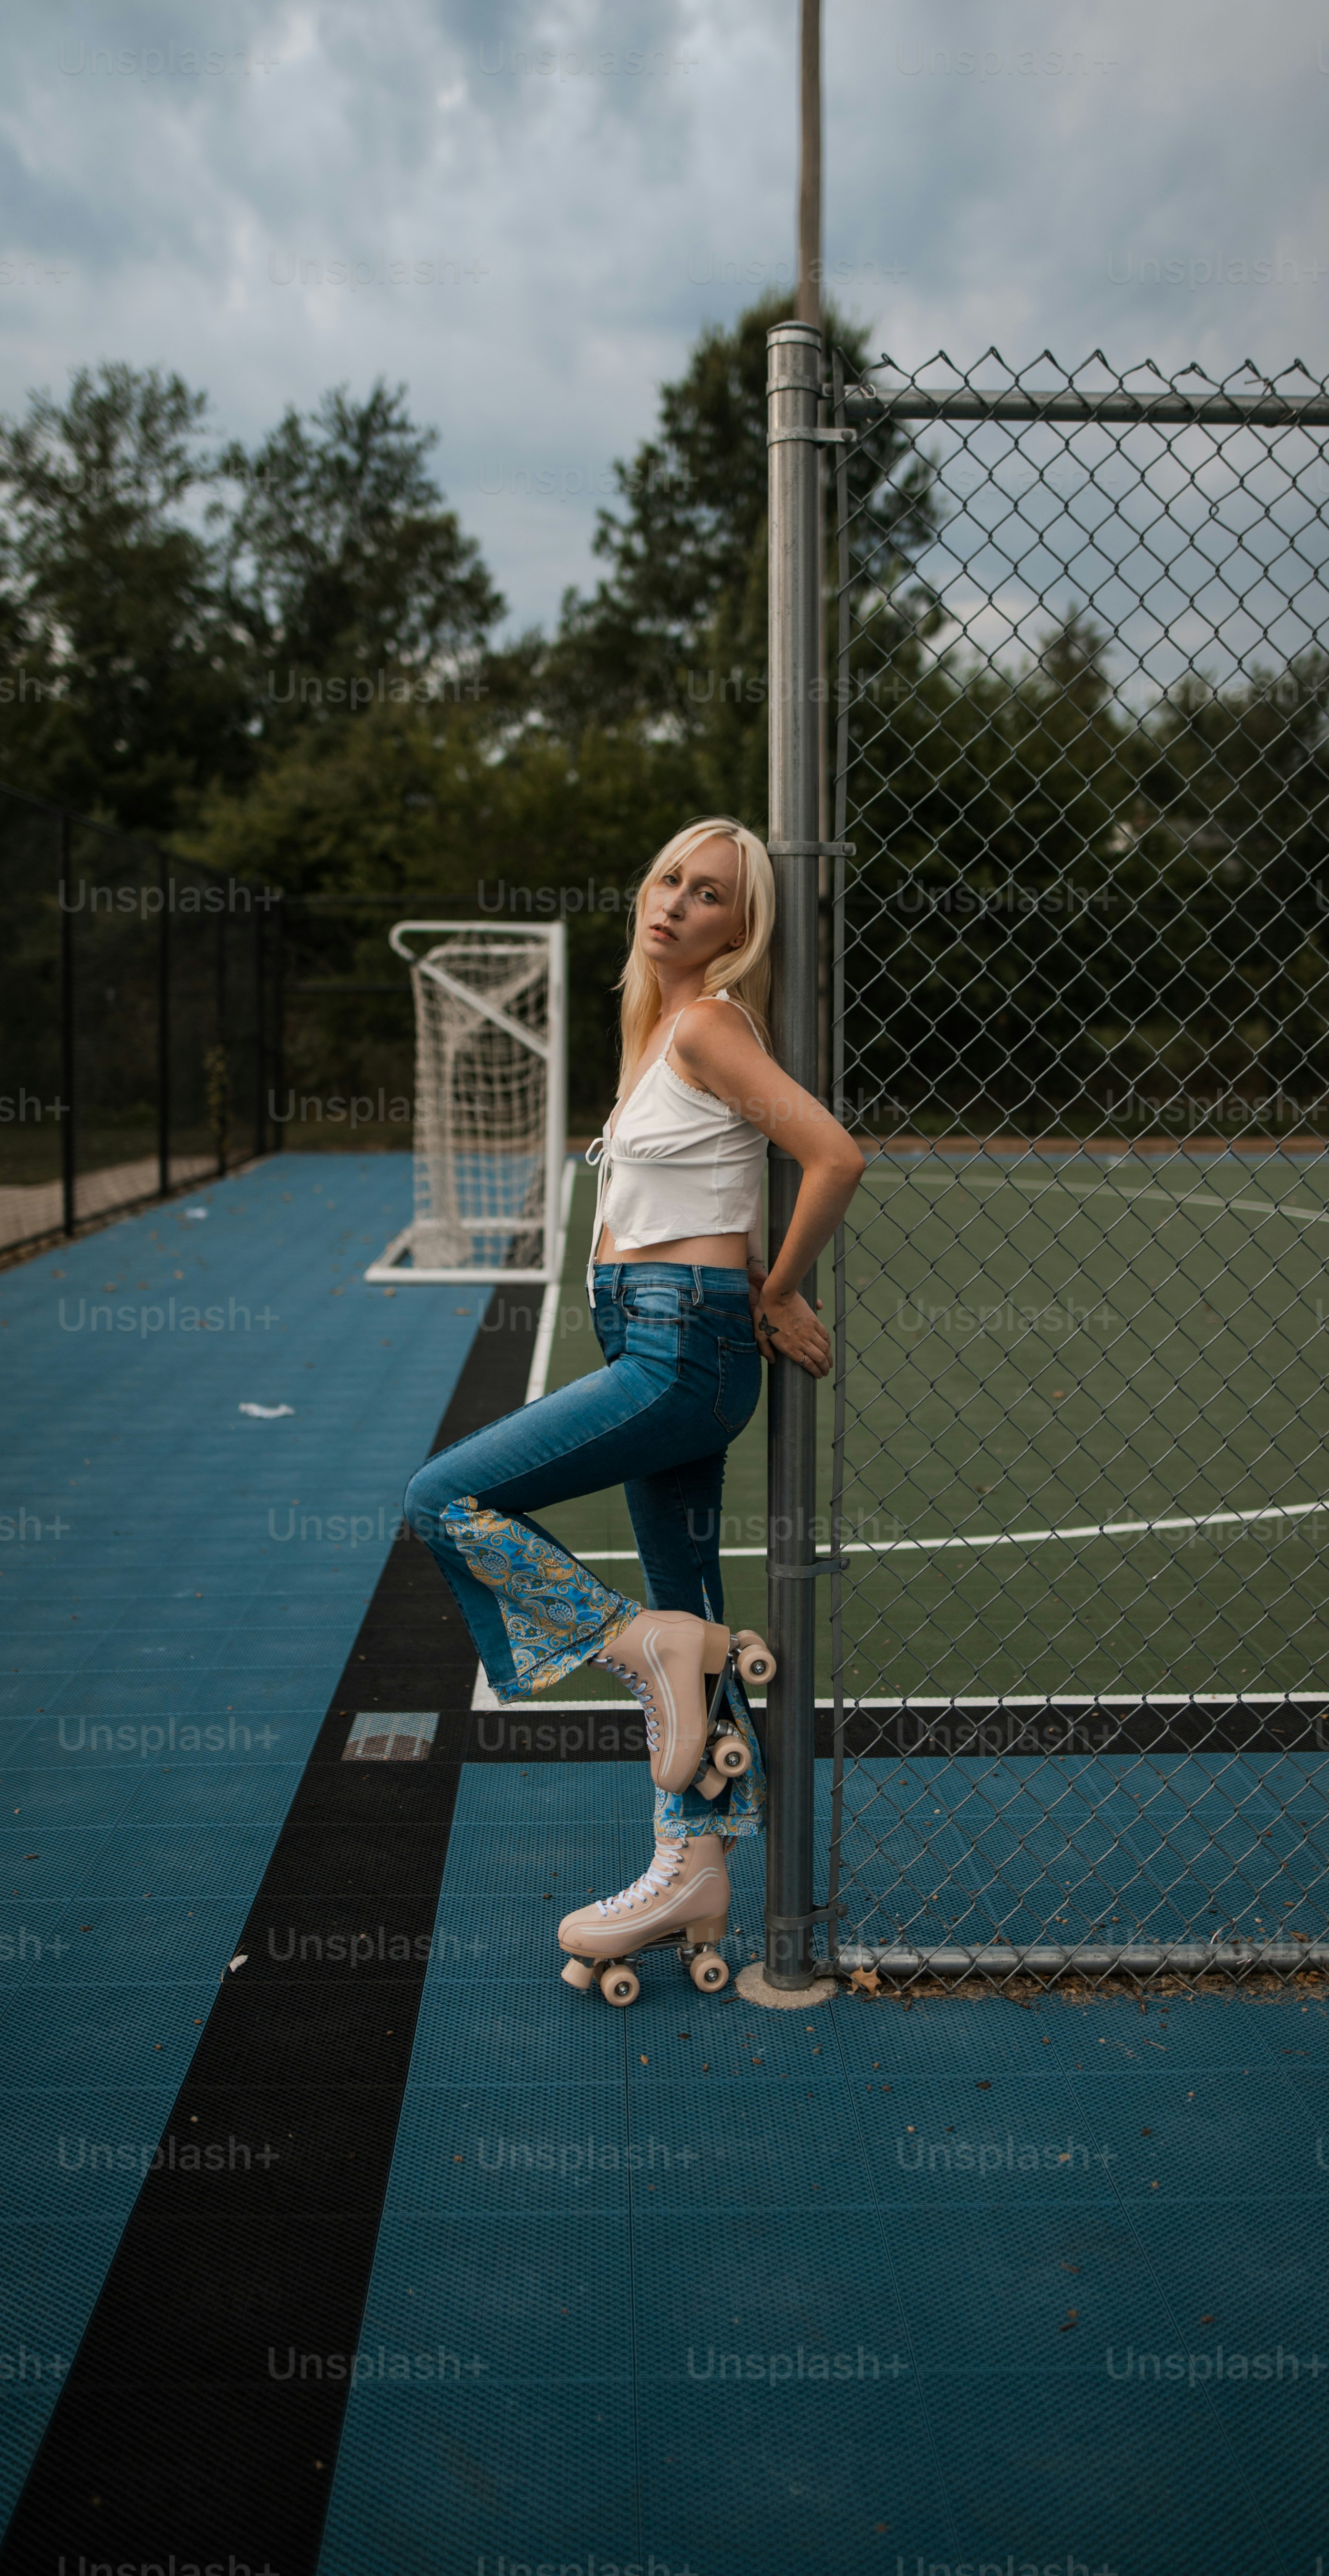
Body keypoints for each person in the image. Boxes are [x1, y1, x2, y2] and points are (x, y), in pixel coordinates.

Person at [402, 816, 866, 1997]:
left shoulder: (709, 1024)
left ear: (739, 926)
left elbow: (832, 1156)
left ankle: (631, 1647)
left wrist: (775, 1291)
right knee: (693, 1614)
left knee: (444, 1494)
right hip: (653, 1331)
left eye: (706, 893)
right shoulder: (655, 1027)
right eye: (667, 878)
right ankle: (691, 1868)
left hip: (682, 1346)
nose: (673, 902)